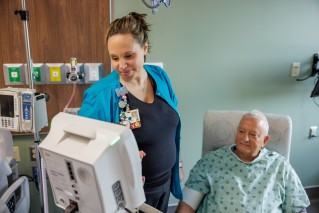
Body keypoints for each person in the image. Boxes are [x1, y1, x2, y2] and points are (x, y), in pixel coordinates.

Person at [78, 12, 183, 212]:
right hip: (130, 196)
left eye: (128, 56)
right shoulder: (101, 94)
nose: (121, 65)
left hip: (165, 185)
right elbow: (84, 149)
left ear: (144, 48)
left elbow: (172, 127)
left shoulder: (159, 76)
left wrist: (178, 165)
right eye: (114, 58)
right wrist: (119, 154)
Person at [176, 110, 310, 213]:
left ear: (265, 140)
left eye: (253, 134)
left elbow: (297, 208)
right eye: (241, 131)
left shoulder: (280, 166)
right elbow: (187, 205)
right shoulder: (211, 162)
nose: (245, 138)